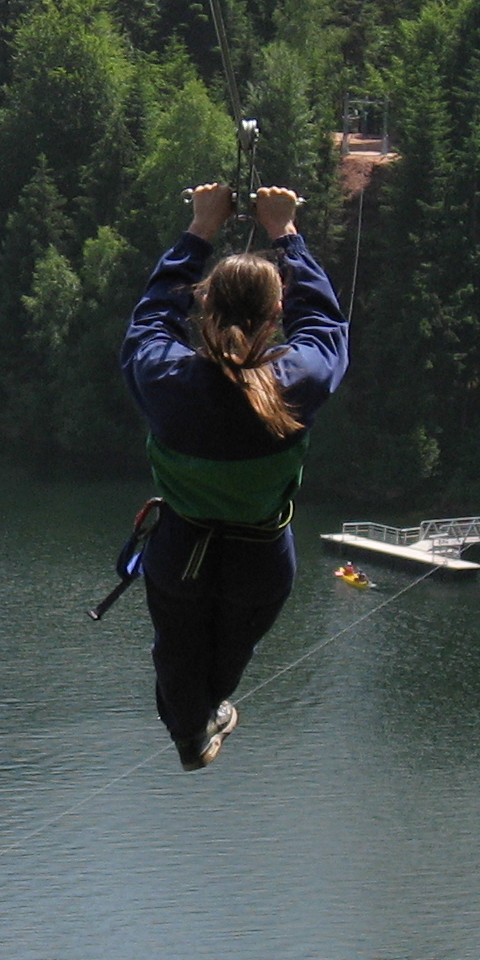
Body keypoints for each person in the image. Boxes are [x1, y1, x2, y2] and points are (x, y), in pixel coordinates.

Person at [122, 181, 349, 769]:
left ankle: (190, 729)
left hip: (180, 544)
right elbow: (325, 326)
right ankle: (203, 716)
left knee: (177, 647)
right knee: (231, 648)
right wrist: (286, 233)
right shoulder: (294, 382)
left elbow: (151, 319)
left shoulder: (167, 380)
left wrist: (200, 229)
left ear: (205, 307)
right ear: (276, 313)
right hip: (260, 553)